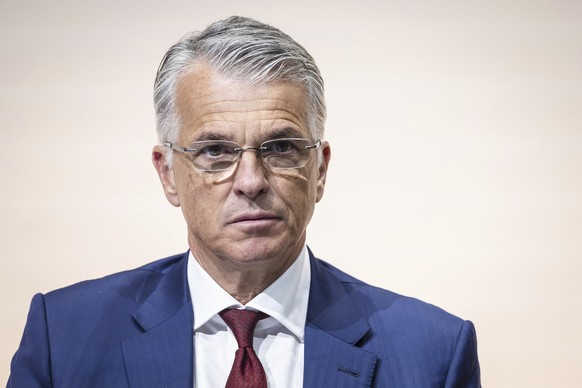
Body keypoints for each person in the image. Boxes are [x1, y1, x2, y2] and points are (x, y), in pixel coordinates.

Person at [8, 16, 481, 387]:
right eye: (215, 151)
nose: (251, 181)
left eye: (280, 148)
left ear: (320, 170)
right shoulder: (64, 335)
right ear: (167, 173)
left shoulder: (433, 352)